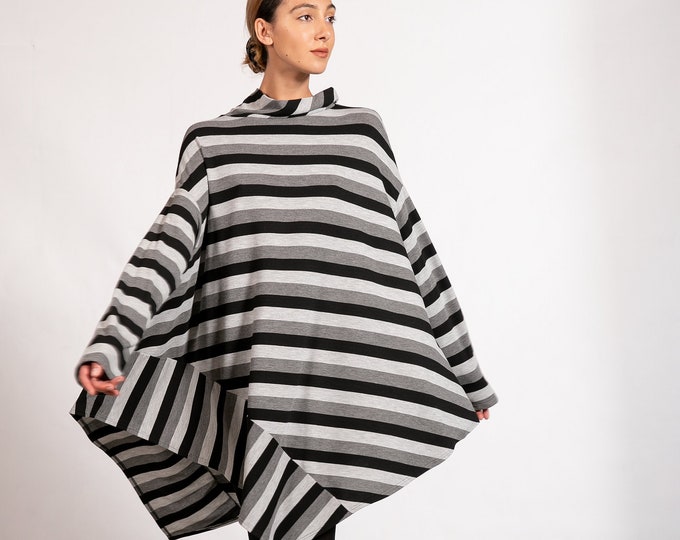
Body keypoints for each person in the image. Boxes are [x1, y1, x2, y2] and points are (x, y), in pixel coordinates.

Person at [71, 1, 498, 539]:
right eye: (304, 15)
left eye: (330, 17)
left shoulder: (361, 134)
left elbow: (415, 252)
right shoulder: (213, 143)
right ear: (264, 30)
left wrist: (467, 374)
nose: (324, 31)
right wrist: (113, 341)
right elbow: (166, 248)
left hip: (340, 382)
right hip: (261, 379)